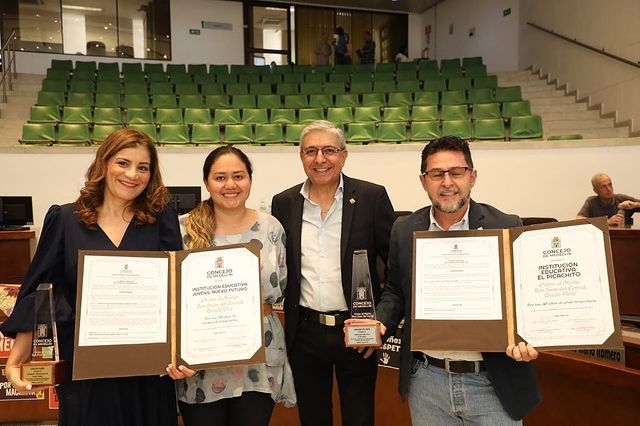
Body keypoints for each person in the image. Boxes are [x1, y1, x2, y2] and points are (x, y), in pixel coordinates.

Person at [354, 136, 541, 425]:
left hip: (492, 382)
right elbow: (395, 292)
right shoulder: (404, 229)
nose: (447, 182)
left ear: (472, 176)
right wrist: (380, 322)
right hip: (428, 381)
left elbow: (524, 296)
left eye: (456, 172)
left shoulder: (505, 225)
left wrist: (529, 336)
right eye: (437, 174)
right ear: (423, 180)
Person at [0, 129, 182, 426]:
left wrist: (182, 355)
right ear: (104, 163)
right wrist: (16, 359)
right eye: (123, 163)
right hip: (85, 369)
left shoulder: (161, 220)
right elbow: (39, 291)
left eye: (143, 167)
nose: (133, 174)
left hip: (147, 369)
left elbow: (177, 291)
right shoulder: (65, 219)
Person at [271, 120, 395, 426]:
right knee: (313, 418)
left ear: (344, 154)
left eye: (329, 150)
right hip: (305, 333)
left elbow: (396, 266)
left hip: (357, 330)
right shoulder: (284, 203)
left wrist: (381, 320)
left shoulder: (371, 197)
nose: (320, 159)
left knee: (359, 417)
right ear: (301, 156)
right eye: (311, 151)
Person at [166, 146, 296, 426]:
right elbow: (171, 299)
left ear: (250, 179)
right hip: (199, 365)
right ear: (206, 182)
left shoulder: (271, 228)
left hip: (258, 359)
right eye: (220, 177)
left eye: (238, 176)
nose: (230, 185)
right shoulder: (182, 230)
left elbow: (283, 286)